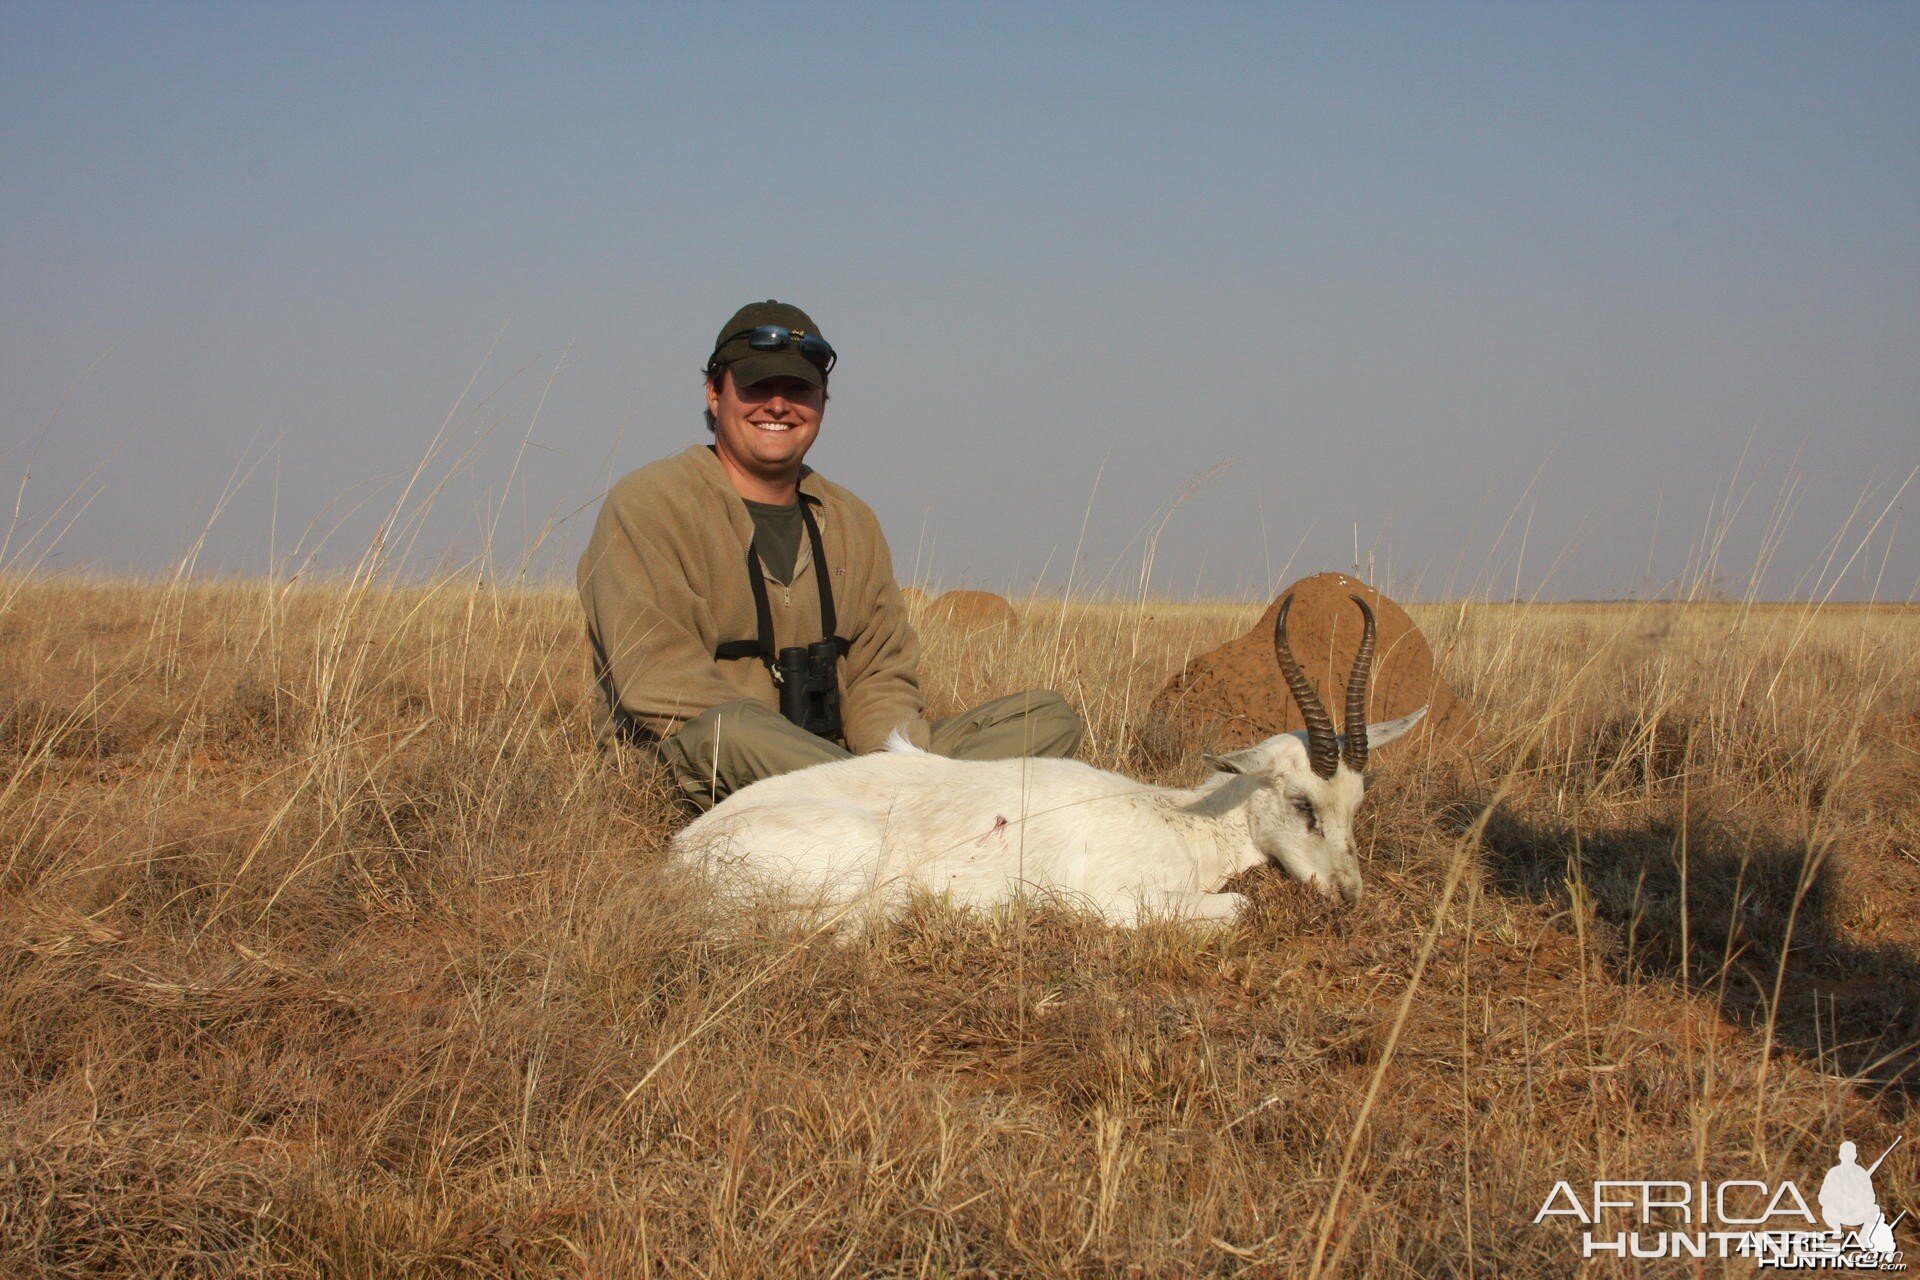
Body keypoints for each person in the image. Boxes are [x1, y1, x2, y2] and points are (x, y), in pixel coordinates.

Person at [578, 299, 1083, 809]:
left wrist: (894, 760)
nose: (778, 405)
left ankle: (889, 813)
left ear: (821, 401)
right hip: (711, 769)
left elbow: (880, 674)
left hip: (847, 768)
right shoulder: (650, 503)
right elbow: (660, 686)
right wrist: (849, 781)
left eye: (799, 390)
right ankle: (910, 815)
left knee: (1046, 719)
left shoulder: (851, 520)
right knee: (730, 730)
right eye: (757, 386)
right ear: (714, 393)